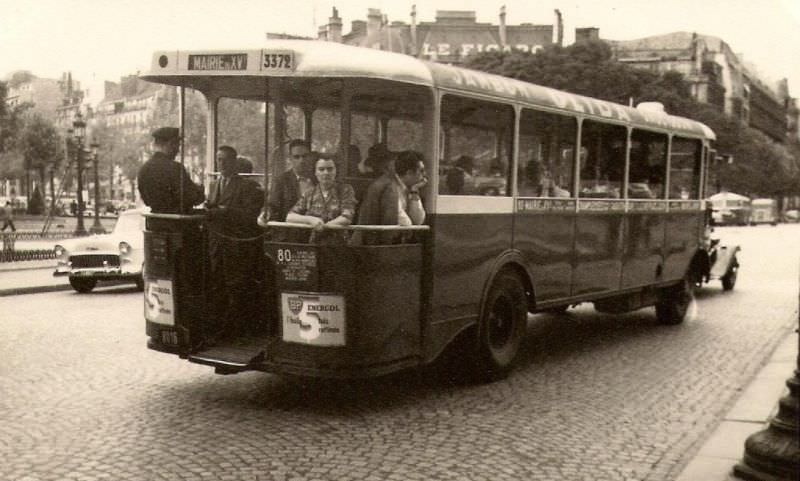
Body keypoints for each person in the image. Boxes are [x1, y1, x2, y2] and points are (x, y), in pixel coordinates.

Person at [206, 145, 264, 340]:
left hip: (237, 245)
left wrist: (225, 211)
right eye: (218, 160)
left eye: (224, 160)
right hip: (217, 244)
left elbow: (250, 215)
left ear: (234, 162)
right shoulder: (214, 185)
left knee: (237, 287)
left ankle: (238, 330)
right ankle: (220, 328)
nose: (220, 164)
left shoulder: (246, 186)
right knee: (218, 284)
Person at [356, 150, 426, 244]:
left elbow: (418, 220)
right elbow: (405, 223)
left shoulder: (409, 188)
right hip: (375, 244)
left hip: (387, 243)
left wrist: (414, 191)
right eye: (421, 171)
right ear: (409, 173)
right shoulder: (387, 186)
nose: (424, 175)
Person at [286, 156, 357, 243]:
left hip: (340, 245)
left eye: (330, 169)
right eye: (321, 169)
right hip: (315, 244)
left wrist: (324, 227)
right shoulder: (309, 193)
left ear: (336, 171)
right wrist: (311, 220)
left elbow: (347, 217)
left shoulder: (345, 190)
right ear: (315, 172)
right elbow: (290, 217)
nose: (326, 173)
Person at [137, 127, 205, 214]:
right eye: (177, 145)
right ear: (170, 144)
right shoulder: (175, 168)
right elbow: (193, 198)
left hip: (154, 222)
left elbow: (146, 200)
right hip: (176, 223)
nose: (178, 150)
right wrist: (200, 190)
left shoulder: (144, 169)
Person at [264, 139, 314, 223]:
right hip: (290, 231)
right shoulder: (281, 181)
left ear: (310, 157)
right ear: (290, 158)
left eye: (305, 156)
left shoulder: (318, 179)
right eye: (296, 157)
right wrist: (265, 213)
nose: (301, 160)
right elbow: (272, 205)